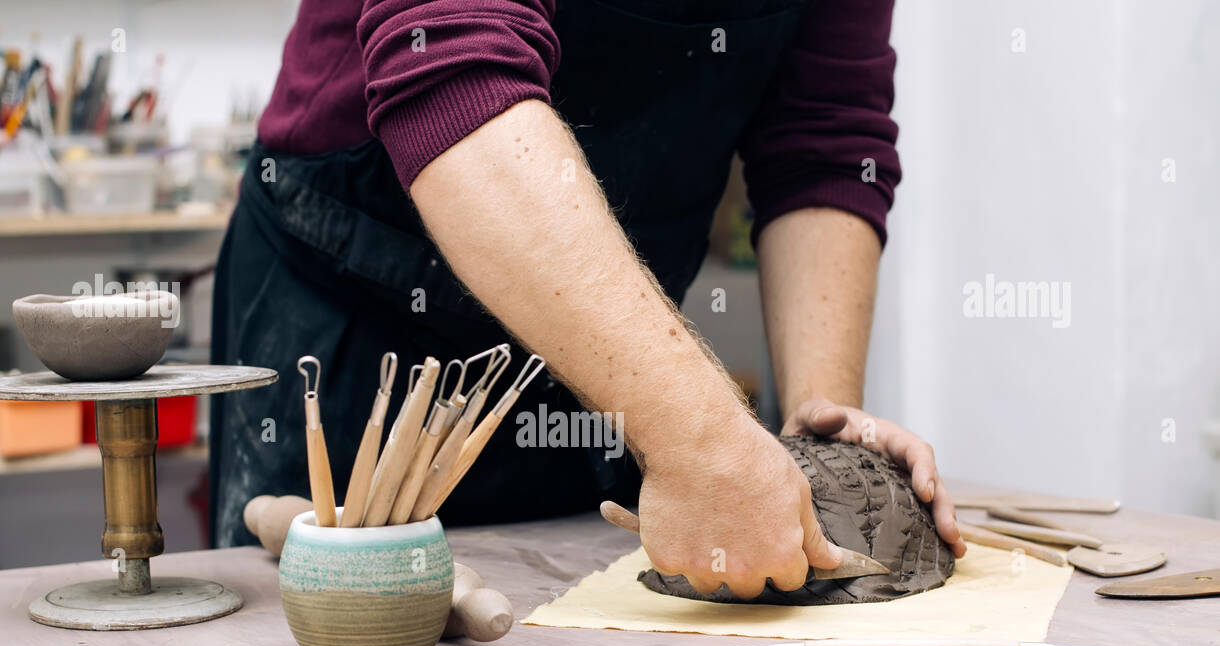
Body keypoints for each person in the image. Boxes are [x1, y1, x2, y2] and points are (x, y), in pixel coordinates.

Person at [209, 0, 967, 599]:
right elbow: (454, 71)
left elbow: (824, 141)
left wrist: (821, 436)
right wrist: (697, 434)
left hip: (604, 348)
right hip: (360, 318)